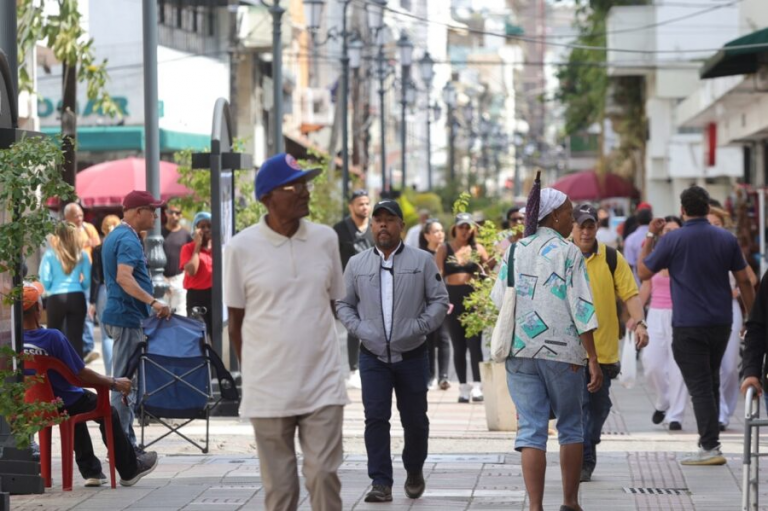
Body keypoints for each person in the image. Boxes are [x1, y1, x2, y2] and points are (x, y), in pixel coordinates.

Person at [224, 153, 348, 511]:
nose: (305, 192)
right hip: (268, 388)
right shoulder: (241, 247)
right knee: (280, 490)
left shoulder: (325, 240)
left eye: (306, 184)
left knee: (324, 474)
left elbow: (332, 305)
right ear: (267, 197)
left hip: (322, 383)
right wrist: (256, 373)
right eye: (294, 186)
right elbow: (236, 320)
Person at [337, 199, 449, 503]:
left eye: (390, 219)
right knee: (375, 418)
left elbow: (439, 300)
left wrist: (419, 326)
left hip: (412, 354)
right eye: (378, 220)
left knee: (415, 420)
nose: (383, 225)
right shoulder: (357, 264)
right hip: (372, 355)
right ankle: (380, 481)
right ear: (372, 226)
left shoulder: (422, 261)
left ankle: (414, 469)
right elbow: (343, 304)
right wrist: (361, 329)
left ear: (401, 225)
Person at [638, 185, 755, 466]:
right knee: (711, 379)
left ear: (683, 210)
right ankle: (710, 441)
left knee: (700, 385)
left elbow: (643, 271)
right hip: (721, 322)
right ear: (707, 208)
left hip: (688, 324)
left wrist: (652, 235)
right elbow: (744, 280)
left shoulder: (673, 239)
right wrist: (752, 318)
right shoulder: (726, 239)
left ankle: (710, 446)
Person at [503, 188, 602, 511]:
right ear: (554, 214)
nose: (573, 218)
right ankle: (570, 503)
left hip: (521, 353)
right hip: (564, 354)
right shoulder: (569, 252)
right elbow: (582, 308)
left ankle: (535, 507)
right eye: (570, 211)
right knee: (570, 425)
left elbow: (497, 300)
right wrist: (594, 359)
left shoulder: (515, 251)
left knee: (531, 429)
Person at [22, 281, 158, 487]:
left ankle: (92, 471)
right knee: (103, 410)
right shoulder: (52, 337)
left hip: (33, 404)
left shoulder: (10, 342)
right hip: (64, 401)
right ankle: (130, 470)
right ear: (39, 309)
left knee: (74, 407)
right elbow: (81, 373)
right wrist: (114, 382)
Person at [571, 204, 649, 483]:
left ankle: (587, 444)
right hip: (570, 352)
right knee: (579, 406)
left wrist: (640, 323)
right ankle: (583, 459)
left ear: (596, 228)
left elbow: (631, 294)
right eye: (581, 225)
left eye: (590, 225)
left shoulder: (611, 258)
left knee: (599, 407)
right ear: (572, 227)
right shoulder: (561, 257)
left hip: (604, 351)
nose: (585, 231)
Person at [102, 190, 172, 448]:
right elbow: (124, 277)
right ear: (137, 211)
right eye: (152, 210)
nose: (156, 215)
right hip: (126, 317)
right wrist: (153, 302)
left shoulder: (119, 236)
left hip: (121, 315)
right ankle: (123, 450)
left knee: (123, 382)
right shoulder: (128, 240)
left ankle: (123, 444)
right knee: (123, 385)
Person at [707, 206, 757, 431]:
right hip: (705, 309)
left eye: (717, 224)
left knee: (728, 367)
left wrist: (736, 292)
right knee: (712, 366)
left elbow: (751, 278)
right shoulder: (699, 248)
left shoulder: (730, 246)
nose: (712, 228)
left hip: (730, 309)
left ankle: (727, 406)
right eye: (709, 224)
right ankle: (719, 413)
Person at [435, 212, 493, 403]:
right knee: (458, 345)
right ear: (454, 228)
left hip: (473, 299)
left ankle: (477, 385)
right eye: (461, 226)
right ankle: (463, 387)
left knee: (474, 344)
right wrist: (440, 300)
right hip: (452, 299)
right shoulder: (445, 248)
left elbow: (489, 272)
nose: (465, 231)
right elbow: (437, 277)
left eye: (468, 227)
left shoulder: (477, 248)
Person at [638, 216, 689, 432]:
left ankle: (675, 415)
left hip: (682, 313)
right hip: (656, 314)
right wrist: (635, 316)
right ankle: (663, 401)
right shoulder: (657, 255)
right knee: (651, 363)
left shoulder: (688, 254)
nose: (670, 233)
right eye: (666, 230)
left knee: (679, 366)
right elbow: (645, 284)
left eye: (674, 229)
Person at [332, 189, 374, 390]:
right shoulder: (340, 229)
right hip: (349, 286)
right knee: (354, 327)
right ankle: (354, 370)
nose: (364, 207)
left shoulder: (375, 228)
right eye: (360, 204)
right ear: (351, 206)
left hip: (374, 284)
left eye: (367, 203)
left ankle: (374, 367)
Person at [39, 222, 92, 360]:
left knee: (53, 336)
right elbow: (87, 280)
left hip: (56, 297)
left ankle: (55, 371)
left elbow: (44, 279)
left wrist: (51, 289)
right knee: (76, 338)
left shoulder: (50, 254)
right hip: (77, 296)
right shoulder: (82, 254)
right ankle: (77, 375)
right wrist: (80, 286)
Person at [64, 203, 101, 364]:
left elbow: (98, 247)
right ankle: (77, 349)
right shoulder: (65, 232)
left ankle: (87, 347)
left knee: (88, 312)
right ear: (67, 217)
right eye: (76, 216)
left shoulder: (89, 228)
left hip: (87, 278)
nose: (79, 218)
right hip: (71, 279)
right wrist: (86, 245)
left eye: (80, 215)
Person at [418, 218, 452, 390]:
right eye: (435, 231)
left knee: (444, 337)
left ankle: (443, 377)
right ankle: (430, 376)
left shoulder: (448, 253)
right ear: (427, 235)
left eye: (441, 231)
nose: (440, 234)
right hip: (426, 302)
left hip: (446, 300)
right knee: (429, 339)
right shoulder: (421, 255)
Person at [89, 215, 121, 377]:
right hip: (120, 290)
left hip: (102, 290)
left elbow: (95, 276)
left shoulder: (98, 249)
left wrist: (92, 301)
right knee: (120, 334)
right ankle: (121, 372)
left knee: (105, 335)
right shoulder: (121, 247)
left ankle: (110, 375)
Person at [180, 212, 213, 336]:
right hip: (196, 298)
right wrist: (197, 247)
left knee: (216, 335)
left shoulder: (218, 248)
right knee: (198, 336)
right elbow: (191, 271)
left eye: (209, 226)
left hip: (214, 295)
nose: (206, 230)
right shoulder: (188, 248)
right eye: (202, 227)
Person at [162, 200, 193, 316]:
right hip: (161, 278)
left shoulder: (186, 235)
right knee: (162, 315)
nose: (174, 216)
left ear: (181, 215)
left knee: (180, 314)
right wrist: (162, 279)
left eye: (177, 213)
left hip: (179, 278)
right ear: (166, 213)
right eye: (171, 212)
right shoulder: (158, 233)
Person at [623, 206, 653, 285]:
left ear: (637, 221)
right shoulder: (658, 235)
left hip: (638, 281)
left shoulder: (631, 239)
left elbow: (629, 263)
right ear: (651, 219)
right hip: (657, 280)